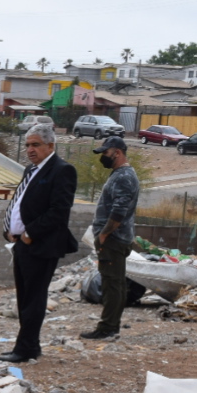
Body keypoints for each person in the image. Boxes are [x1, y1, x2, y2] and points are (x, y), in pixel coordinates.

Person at [0, 124, 78, 363]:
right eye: (27, 145)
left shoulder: (62, 170)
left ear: (50, 146)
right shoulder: (31, 170)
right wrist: (10, 231)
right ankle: (29, 346)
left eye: (35, 145)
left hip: (41, 245)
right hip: (22, 244)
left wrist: (29, 233)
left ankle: (25, 349)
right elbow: (21, 202)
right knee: (24, 297)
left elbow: (59, 211)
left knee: (34, 298)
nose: (30, 150)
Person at [81, 135, 140, 340]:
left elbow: (118, 212)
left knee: (112, 284)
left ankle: (108, 327)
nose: (103, 157)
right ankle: (110, 325)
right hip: (115, 239)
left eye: (106, 153)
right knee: (115, 283)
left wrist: (104, 235)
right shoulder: (120, 174)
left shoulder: (124, 177)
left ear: (118, 152)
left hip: (113, 240)